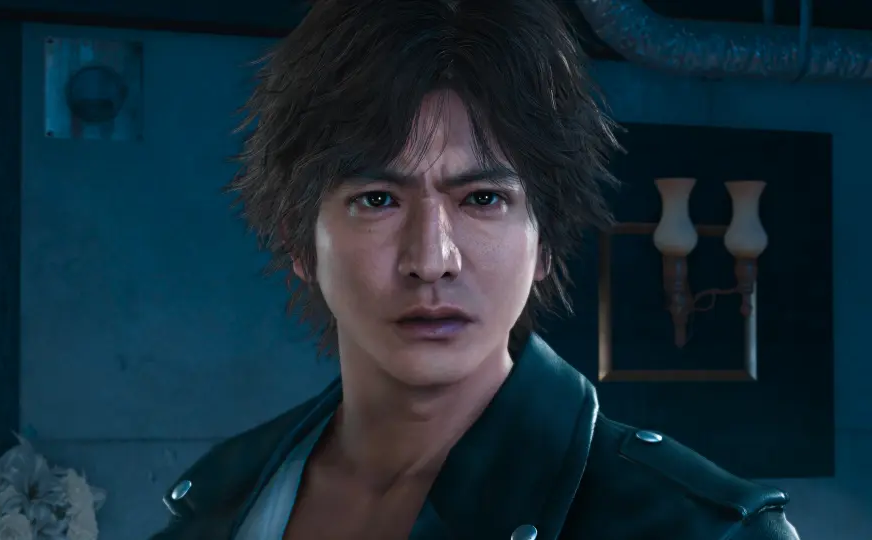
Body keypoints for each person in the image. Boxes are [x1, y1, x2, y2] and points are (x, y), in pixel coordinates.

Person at [150, 0, 801, 538]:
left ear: (546, 242)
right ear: (299, 240)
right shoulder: (218, 508)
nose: (432, 260)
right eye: (376, 200)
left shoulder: (695, 530)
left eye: (483, 199)